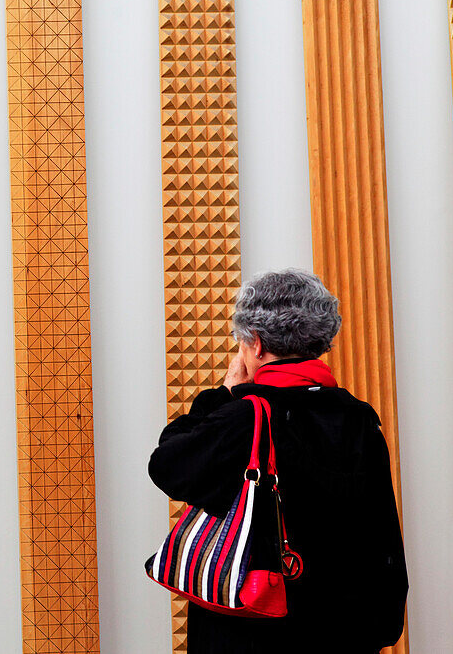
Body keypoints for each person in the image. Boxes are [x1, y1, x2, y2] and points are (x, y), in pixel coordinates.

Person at [148, 269, 408, 654]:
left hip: (253, 630)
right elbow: (381, 529)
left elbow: (167, 464)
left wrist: (224, 393)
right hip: (344, 631)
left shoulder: (243, 417)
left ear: (255, 343)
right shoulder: (359, 418)